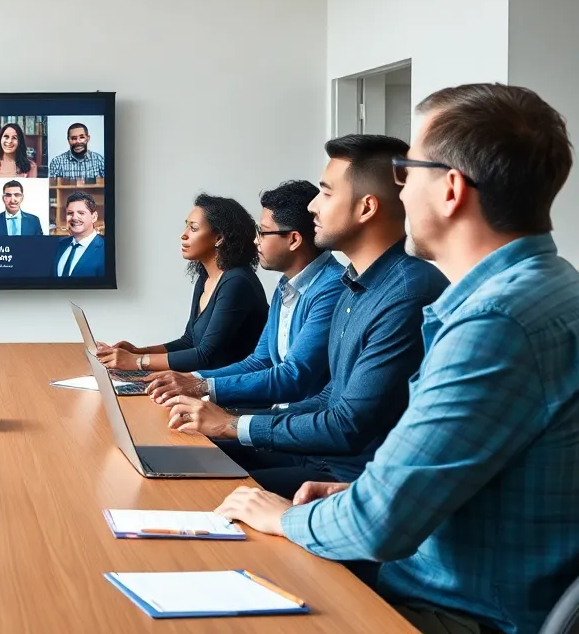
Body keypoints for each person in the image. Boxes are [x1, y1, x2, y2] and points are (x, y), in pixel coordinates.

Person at [216, 84, 578, 634]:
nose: (400, 193)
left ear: (452, 189)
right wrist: (355, 495)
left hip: (453, 611)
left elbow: (379, 524)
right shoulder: (550, 287)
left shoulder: (495, 323)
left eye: (409, 172)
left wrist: (285, 518)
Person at [166, 136, 448, 499]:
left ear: (366, 209)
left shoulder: (406, 293)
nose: (313, 206)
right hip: (318, 456)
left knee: (199, 490)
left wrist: (233, 423)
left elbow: (346, 424)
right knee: (183, 457)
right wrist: (228, 421)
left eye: (326, 193)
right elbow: (330, 396)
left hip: (347, 479)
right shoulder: (355, 285)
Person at [145, 181, 345, 407]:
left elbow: (293, 376)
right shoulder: (286, 285)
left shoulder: (332, 289)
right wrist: (192, 379)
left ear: (294, 240)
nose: (255, 240)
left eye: (263, 232)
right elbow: (258, 362)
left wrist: (201, 386)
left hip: (300, 422)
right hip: (277, 415)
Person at [98, 194, 268, 373]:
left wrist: (137, 361)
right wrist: (136, 352)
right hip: (202, 384)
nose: (183, 235)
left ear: (219, 238)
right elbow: (188, 341)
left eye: (193, 229)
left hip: (230, 393)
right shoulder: (205, 277)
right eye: (186, 226)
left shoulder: (237, 282)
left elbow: (205, 356)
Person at [51, 192, 106, 277]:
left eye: (81, 213)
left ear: (94, 217)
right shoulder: (61, 244)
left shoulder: (105, 249)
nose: (74, 217)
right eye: (70, 213)